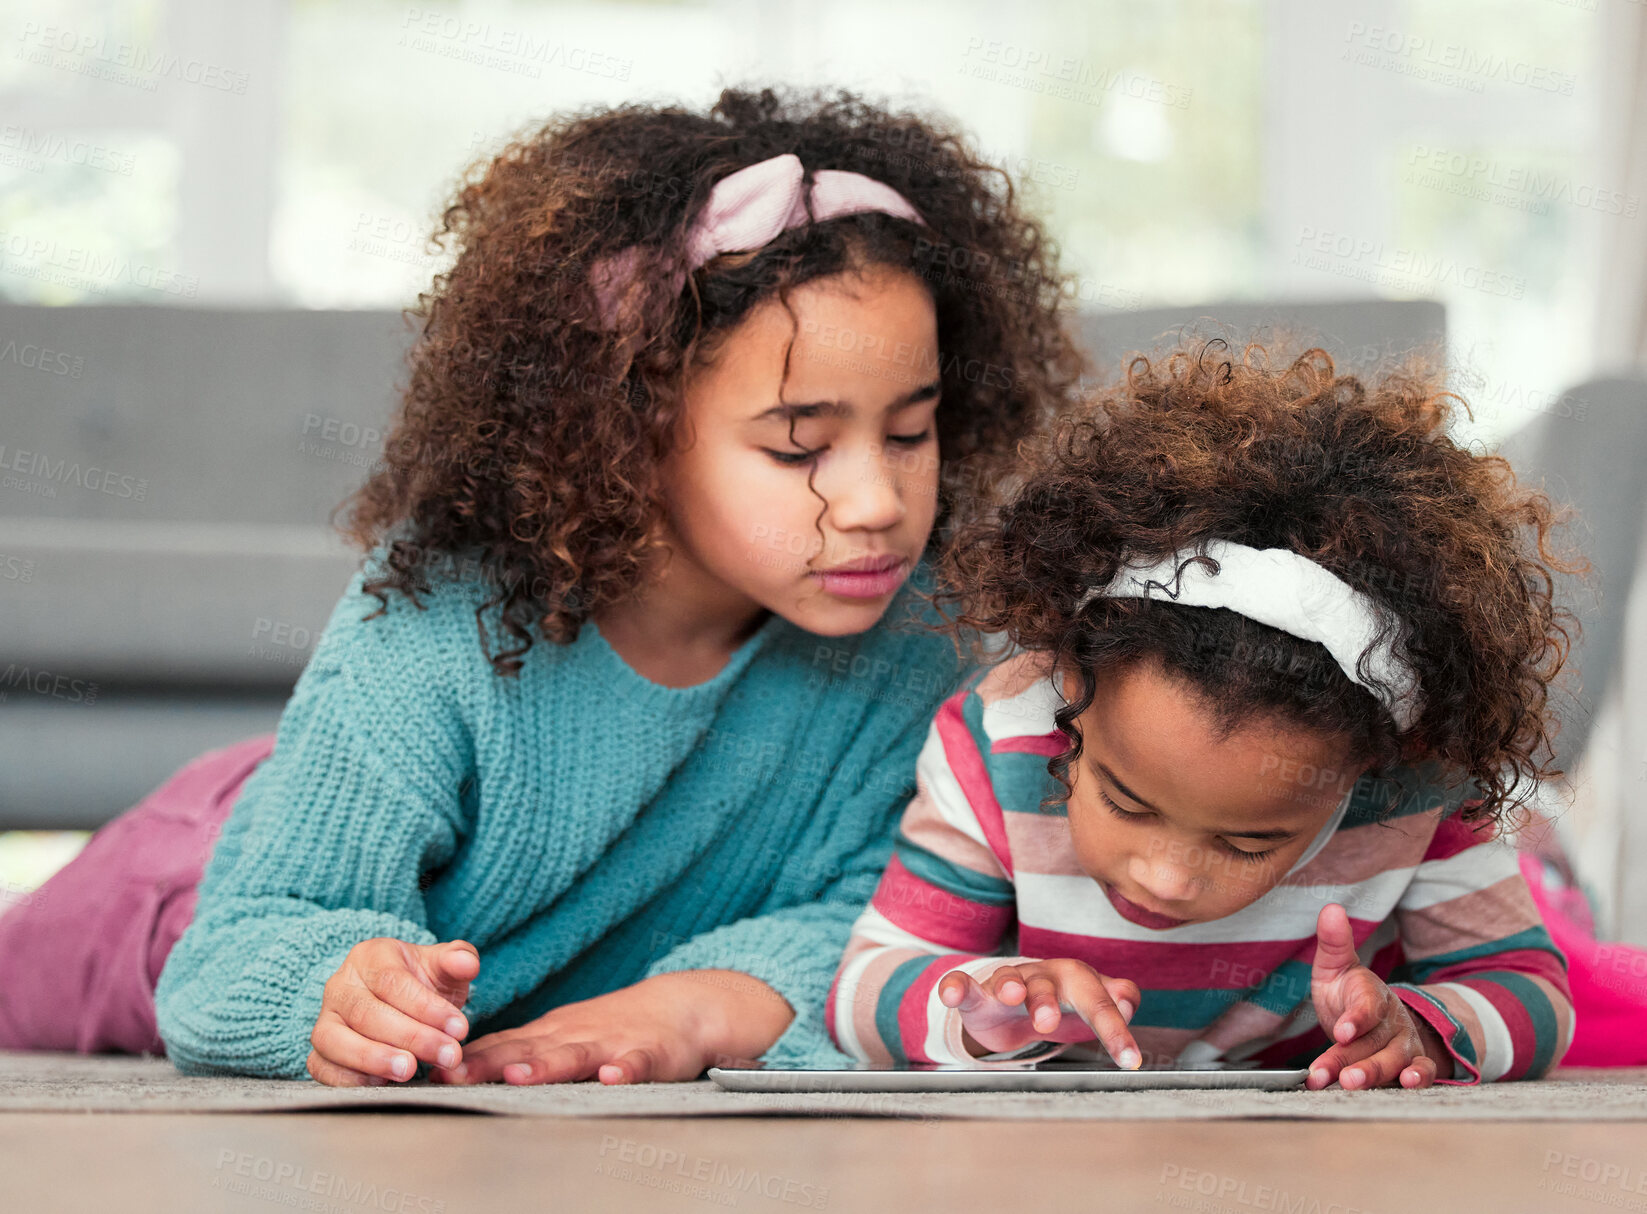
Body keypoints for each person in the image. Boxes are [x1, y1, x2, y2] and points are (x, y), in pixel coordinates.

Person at [0, 84, 1089, 1084]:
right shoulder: (450, 617)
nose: (876, 502)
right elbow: (230, 948)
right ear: (633, 430)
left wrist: (691, 1009)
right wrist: (339, 993)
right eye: (801, 447)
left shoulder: (915, 638)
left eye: (910, 430)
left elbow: (884, 916)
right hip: (190, 877)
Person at [829, 339, 1580, 1087]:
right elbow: (864, 989)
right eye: (1124, 801)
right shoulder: (996, 745)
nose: (1168, 878)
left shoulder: (1416, 794)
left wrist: (1416, 1030)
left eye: (1246, 842)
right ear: (1069, 686)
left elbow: (1531, 996)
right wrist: (984, 1013)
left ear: (1371, 763)